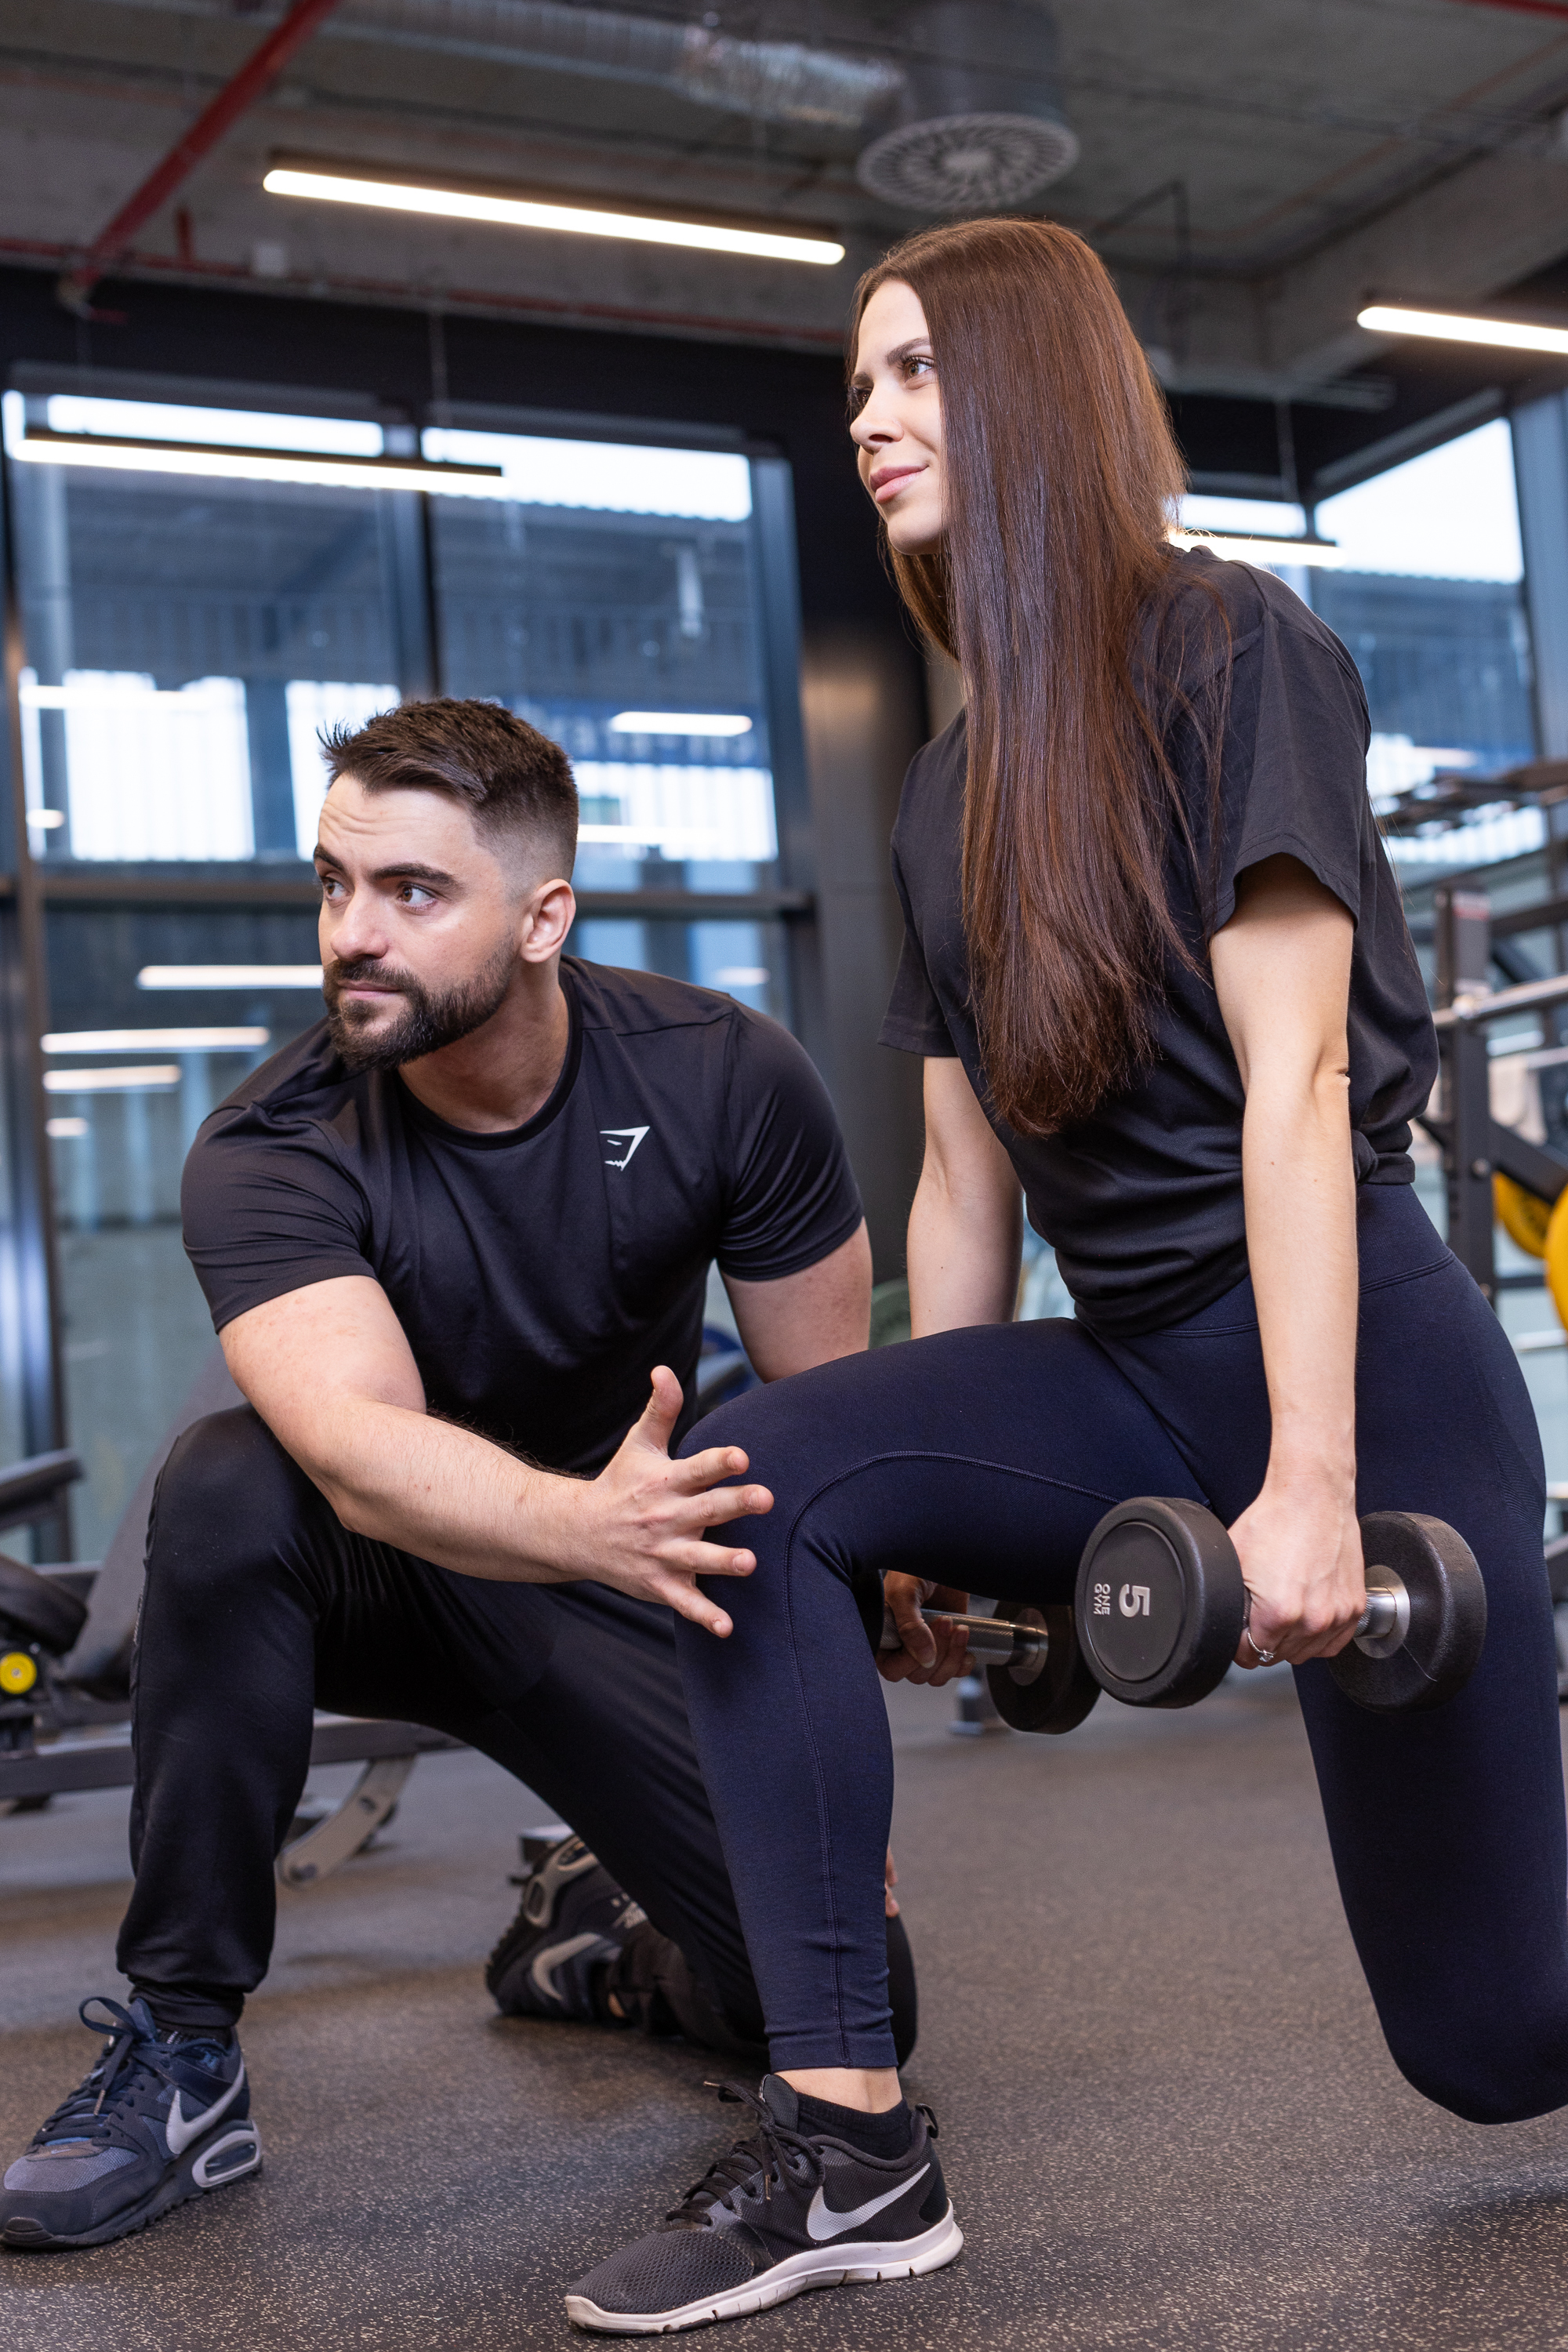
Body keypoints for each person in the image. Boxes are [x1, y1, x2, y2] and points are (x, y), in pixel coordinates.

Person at [564, 218, 1563, 2334]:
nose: (870, 420)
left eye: (914, 373)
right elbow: (958, 1177)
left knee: (1497, 2046)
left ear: (1029, 391)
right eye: (853, 390)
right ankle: (852, 2152)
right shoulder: (945, 795)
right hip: (1124, 1376)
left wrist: (1307, 1481)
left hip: (1357, 1366)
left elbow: (1295, 1091)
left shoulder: (1230, 655)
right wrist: (919, 1500)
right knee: (770, 1477)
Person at [0, 695, 918, 2255]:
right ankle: (183, 2056)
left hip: (606, 1588)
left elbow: (833, 1433)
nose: (352, 933)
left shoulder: (721, 1080)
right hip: (396, 1563)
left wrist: (852, 1702)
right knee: (228, 1481)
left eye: (412, 892)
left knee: (849, 2006)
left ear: (543, 914)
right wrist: (590, 1523)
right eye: (333, 884)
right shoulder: (269, 1146)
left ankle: (596, 1937)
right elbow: (354, 1454)